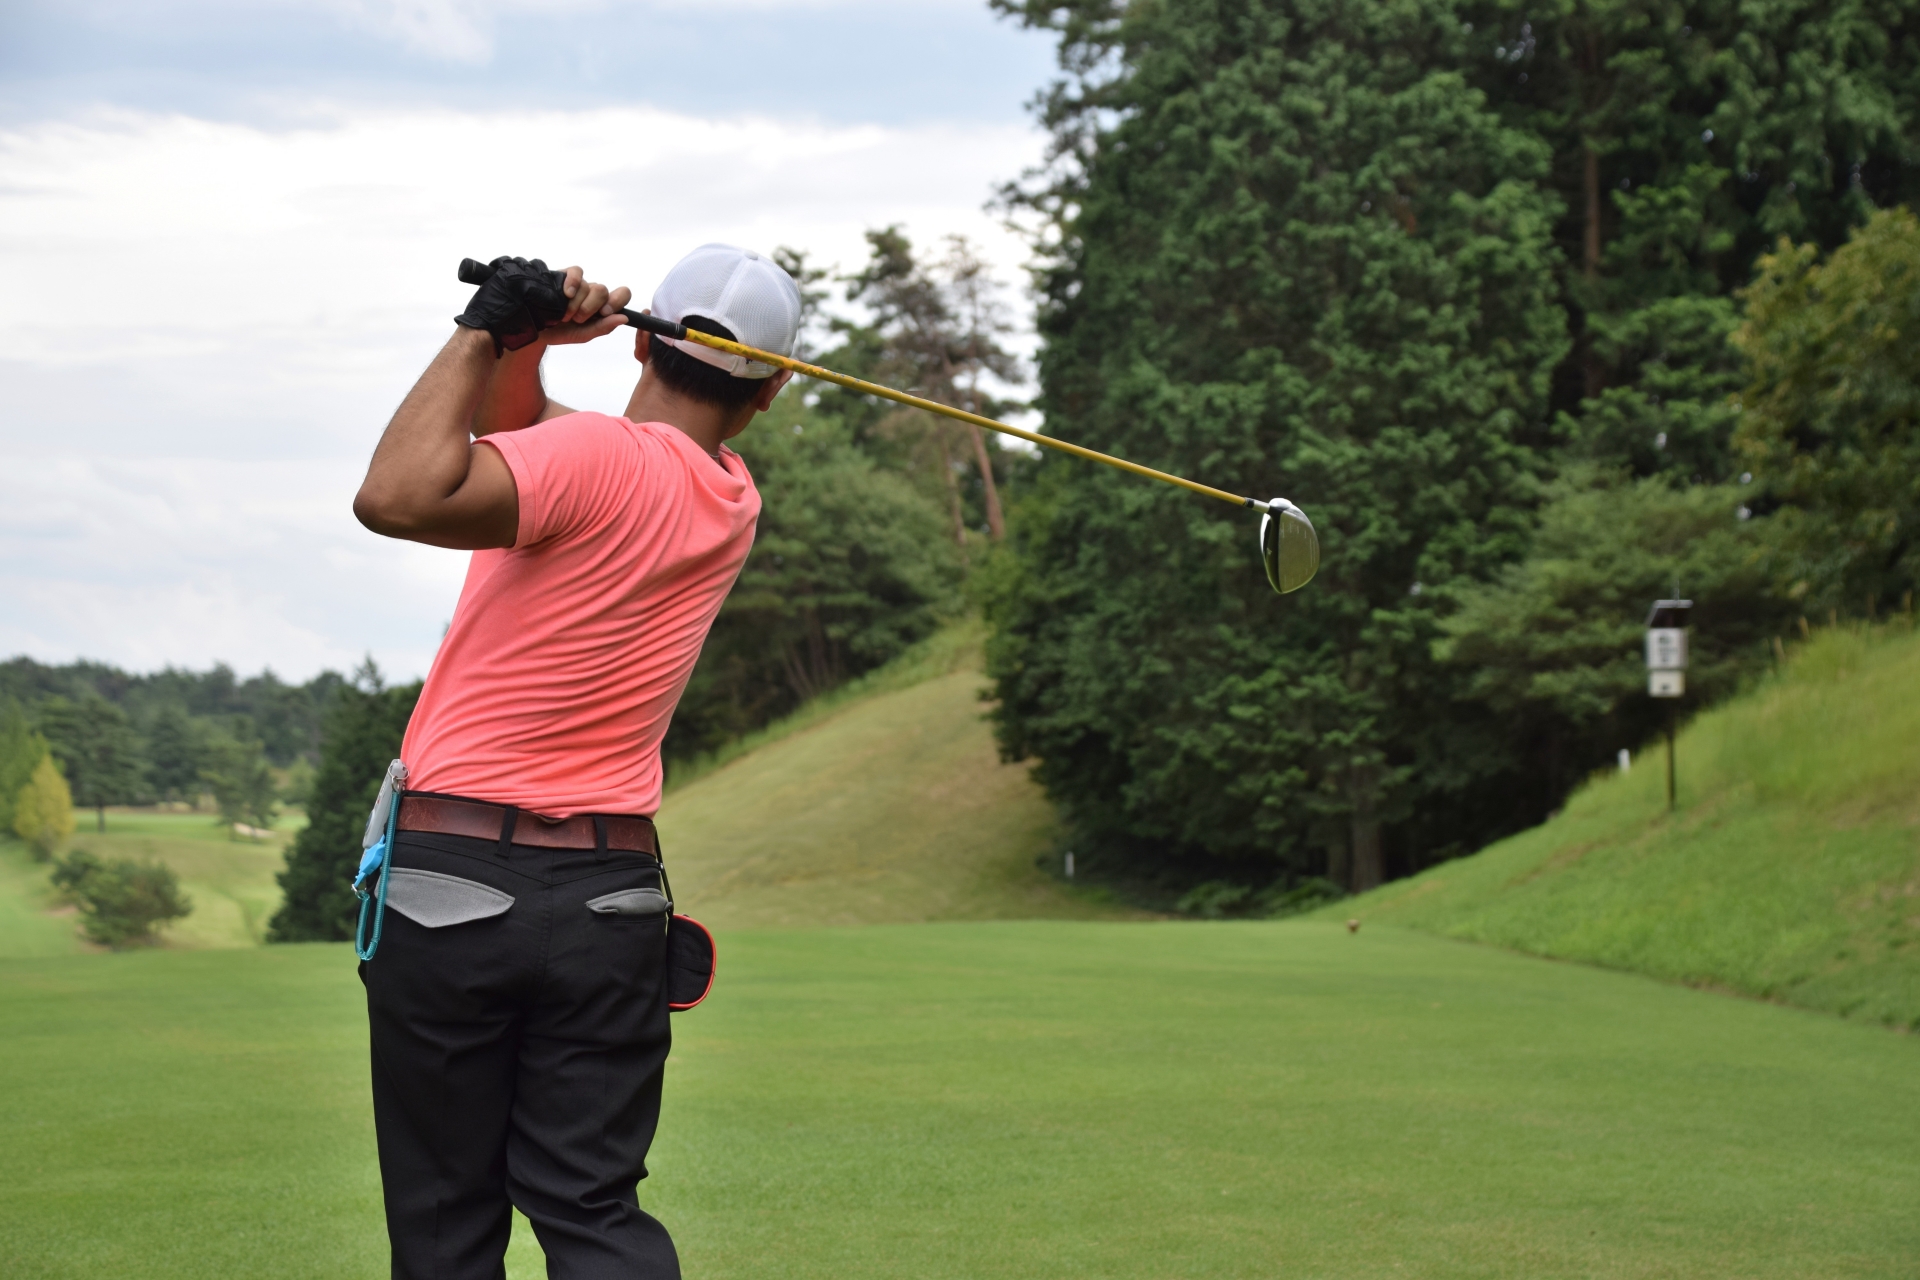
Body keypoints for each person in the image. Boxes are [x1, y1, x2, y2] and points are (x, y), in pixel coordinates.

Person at [350, 245, 802, 1279]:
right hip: (611, 903)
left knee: (444, 1216)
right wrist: (524, 348)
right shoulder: (729, 497)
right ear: (771, 392)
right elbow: (527, 446)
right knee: (593, 1208)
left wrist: (482, 331)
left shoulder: (595, 459)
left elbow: (395, 494)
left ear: (643, 336)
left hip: (451, 885)